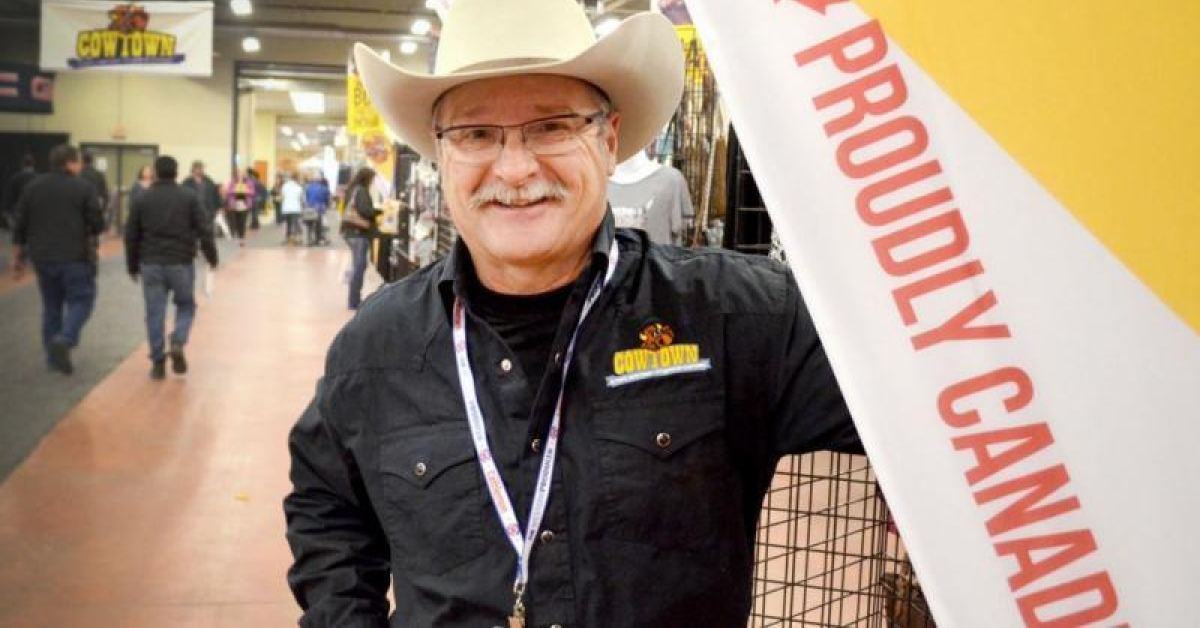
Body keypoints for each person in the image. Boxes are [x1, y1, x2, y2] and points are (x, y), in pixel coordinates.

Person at [283, 1, 860, 625]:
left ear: (607, 141)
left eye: (551, 126)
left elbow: (938, 399)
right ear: (441, 156)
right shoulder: (378, 344)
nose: (514, 168)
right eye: (477, 135)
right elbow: (327, 507)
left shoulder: (736, 317)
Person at [10, 144, 104, 375]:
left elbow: (19, 223)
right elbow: (98, 223)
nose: (80, 166)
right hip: (75, 256)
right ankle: (65, 338)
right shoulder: (84, 187)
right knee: (82, 300)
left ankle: (53, 360)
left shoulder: (33, 187)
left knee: (51, 307)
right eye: (78, 162)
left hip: (41, 257)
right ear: (71, 162)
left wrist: (17, 258)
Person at [124, 155, 219, 380]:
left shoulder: (143, 199)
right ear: (177, 173)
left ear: (155, 172)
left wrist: (132, 265)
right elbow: (204, 229)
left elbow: (131, 235)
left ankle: (157, 362)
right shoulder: (189, 197)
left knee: (154, 312)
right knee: (186, 305)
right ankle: (177, 339)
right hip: (181, 262)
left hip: (151, 263)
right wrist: (212, 256)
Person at [337, 166, 380, 309]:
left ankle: (354, 298)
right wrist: (379, 211)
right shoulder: (361, 190)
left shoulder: (353, 189)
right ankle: (354, 300)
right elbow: (365, 211)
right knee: (359, 266)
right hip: (358, 233)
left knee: (358, 265)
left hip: (350, 232)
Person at [181, 161, 224, 237]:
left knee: (207, 233)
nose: (200, 170)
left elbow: (215, 194)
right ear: (193, 169)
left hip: (207, 211)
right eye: (198, 168)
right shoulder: (187, 182)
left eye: (202, 168)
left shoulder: (209, 181)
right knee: (193, 233)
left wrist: (219, 207)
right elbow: (181, 196)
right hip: (192, 211)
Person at [1, 154, 37, 230]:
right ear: (34, 164)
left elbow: (10, 196)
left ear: (22, 164)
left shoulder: (16, 177)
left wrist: (6, 211)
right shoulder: (38, 178)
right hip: (34, 211)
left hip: (19, 211)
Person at [222, 170, 256, 245]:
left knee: (243, 222)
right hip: (235, 204)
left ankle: (242, 238)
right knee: (236, 222)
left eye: (242, 174)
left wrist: (246, 190)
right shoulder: (232, 182)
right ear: (236, 175)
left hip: (245, 204)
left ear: (245, 175)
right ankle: (238, 237)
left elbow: (253, 192)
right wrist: (235, 190)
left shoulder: (249, 182)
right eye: (239, 174)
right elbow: (228, 191)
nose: (240, 175)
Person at [79, 152, 111, 230]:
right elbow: (104, 192)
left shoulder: (78, 174)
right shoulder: (99, 174)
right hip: (95, 205)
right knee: (94, 231)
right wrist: (104, 207)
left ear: (82, 161)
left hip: (81, 207)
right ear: (92, 161)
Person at [303, 174, 331, 246]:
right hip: (320, 208)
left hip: (310, 208)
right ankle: (318, 239)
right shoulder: (324, 188)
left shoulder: (308, 188)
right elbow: (327, 200)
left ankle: (309, 240)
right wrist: (327, 205)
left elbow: (307, 198)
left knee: (309, 224)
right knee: (318, 224)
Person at [280, 172, 304, 245]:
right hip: (296, 208)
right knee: (295, 223)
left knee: (287, 224)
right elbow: (301, 199)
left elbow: (282, 197)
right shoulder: (299, 187)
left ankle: (288, 238)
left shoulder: (284, 186)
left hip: (286, 208)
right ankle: (295, 238)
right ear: (297, 179)